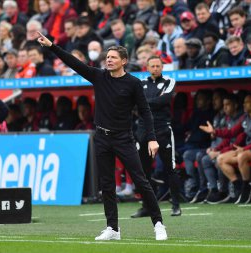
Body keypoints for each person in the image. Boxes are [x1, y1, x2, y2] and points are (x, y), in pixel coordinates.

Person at [37, 31, 167, 241]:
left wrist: (152, 137)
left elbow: (145, 111)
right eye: (107, 57)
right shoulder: (99, 76)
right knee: (106, 185)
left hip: (124, 138)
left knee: (141, 181)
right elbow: (74, 63)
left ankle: (158, 224)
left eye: (113, 57)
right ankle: (112, 229)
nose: (108, 59)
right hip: (102, 138)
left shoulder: (133, 83)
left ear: (124, 61)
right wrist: (52, 46)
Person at [131, 56, 181, 218]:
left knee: (170, 167)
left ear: (162, 67)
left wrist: (144, 102)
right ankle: (147, 206)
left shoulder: (169, 81)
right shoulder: (141, 83)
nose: (155, 69)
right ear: (147, 67)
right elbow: (134, 102)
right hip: (143, 130)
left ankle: (176, 205)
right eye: (152, 66)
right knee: (143, 171)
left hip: (162, 129)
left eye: (158, 66)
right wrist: (148, 102)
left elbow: (165, 100)